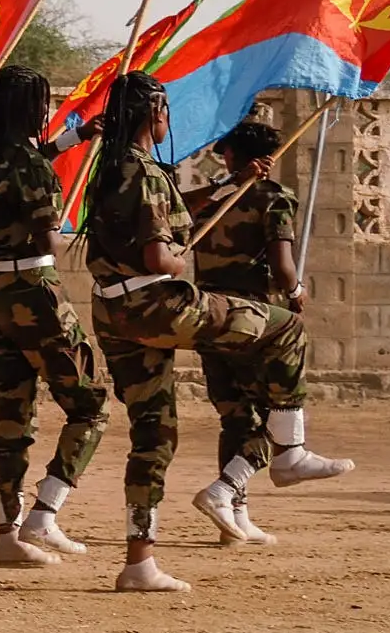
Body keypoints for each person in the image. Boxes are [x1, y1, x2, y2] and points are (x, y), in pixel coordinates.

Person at [84, 72, 340, 594]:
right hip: (158, 302)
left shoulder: (109, 169)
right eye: (164, 109)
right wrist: (177, 260)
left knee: (152, 433)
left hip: (112, 314)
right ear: (153, 110)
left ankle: (140, 564)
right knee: (288, 326)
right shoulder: (147, 173)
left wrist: (227, 186)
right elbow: (161, 256)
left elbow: (176, 207)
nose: (168, 119)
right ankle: (289, 453)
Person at [0, 66, 107, 566]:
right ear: (30, 109)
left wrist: (73, 139)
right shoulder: (28, 163)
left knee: (12, 416)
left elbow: (26, 164)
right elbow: (50, 239)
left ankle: (9, 531)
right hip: (35, 291)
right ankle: (44, 515)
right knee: (90, 406)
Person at [186, 113, 328, 543]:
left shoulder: (208, 198)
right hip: (253, 319)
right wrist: (297, 290)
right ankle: (226, 491)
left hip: (207, 313)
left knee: (235, 416)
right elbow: (283, 268)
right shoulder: (273, 197)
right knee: (276, 417)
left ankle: (236, 517)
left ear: (229, 156)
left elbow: (178, 212)